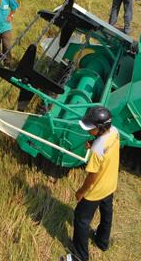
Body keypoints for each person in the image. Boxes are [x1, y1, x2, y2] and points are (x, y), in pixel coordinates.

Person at [61, 106, 119, 261]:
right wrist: (94, 143)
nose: (88, 130)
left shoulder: (96, 152)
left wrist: (81, 192)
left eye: (91, 128)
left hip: (96, 191)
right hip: (111, 183)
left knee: (81, 219)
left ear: (100, 128)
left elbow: (92, 177)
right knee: (107, 213)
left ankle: (80, 257)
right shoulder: (114, 132)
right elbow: (105, 147)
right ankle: (102, 241)